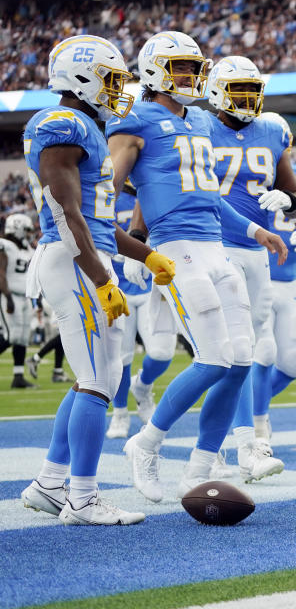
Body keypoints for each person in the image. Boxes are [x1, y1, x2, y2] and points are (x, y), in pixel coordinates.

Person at [107, 31, 287, 502]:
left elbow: (209, 197)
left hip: (215, 246)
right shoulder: (136, 118)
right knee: (211, 359)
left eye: (193, 67)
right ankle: (144, 444)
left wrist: (255, 232)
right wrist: (137, 249)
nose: (189, 76)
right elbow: (107, 191)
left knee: (240, 360)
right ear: (153, 70)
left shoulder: (202, 122)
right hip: (176, 247)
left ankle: (199, 468)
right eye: (179, 67)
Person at [19, 35, 178, 525]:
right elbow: (66, 215)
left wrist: (148, 256)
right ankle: (82, 498)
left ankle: (50, 482)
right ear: (81, 77)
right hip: (72, 262)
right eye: (111, 78)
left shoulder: (84, 125)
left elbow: (98, 221)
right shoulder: (62, 123)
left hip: (86, 258)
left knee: (104, 379)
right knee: (93, 381)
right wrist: (100, 277)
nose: (118, 88)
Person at [207, 59, 296, 481]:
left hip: (257, 252)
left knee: (247, 349)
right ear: (215, 91)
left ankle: (219, 443)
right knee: (235, 348)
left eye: (252, 90)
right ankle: (245, 443)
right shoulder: (198, 126)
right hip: (215, 246)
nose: (248, 99)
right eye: (238, 90)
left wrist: (289, 202)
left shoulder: (271, 131)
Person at [248, 161, 296, 446]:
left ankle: (242, 408)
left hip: (291, 282)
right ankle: (257, 425)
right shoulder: (250, 172)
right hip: (259, 278)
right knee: (264, 353)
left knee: (292, 365)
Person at [105, 185, 178, 439]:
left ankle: (143, 386)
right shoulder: (106, 191)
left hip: (151, 287)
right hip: (116, 285)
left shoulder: (154, 188)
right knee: (120, 357)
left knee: (162, 352)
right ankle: (120, 412)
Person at [0, 214, 37, 388]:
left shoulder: (27, 248)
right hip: (10, 295)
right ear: (17, 228)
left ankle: (18, 376)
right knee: (9, 336)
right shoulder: (4, 245)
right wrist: (7, 297)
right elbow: (1, 273)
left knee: (22, 338)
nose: (30, 234)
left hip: (25, 297)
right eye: (27, 230)